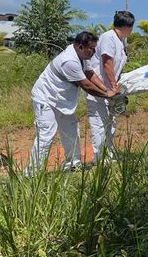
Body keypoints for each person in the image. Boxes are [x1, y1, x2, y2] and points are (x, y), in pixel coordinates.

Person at [25, 32, 116, 176]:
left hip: (61, 99)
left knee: (71, 130)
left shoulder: (82, 56)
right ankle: (32, 173)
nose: (94, 52)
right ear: (81, 46)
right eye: (91, 49)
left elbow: (90, 74)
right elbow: (86, 85)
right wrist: (106, 95)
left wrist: (107, 89)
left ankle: (72, 164)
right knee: (46, 135)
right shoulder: (69, 61)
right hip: (45, 98)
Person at [86, 10, 135, 162]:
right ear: (127, 26)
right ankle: (99, 158)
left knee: (110, 123)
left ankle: (108, 154)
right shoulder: (109, 37)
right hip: (99, 88)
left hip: (110, 89)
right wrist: (113, 86)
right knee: (99, 123)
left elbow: (116, 68)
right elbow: (107, 62)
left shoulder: (119, 41)